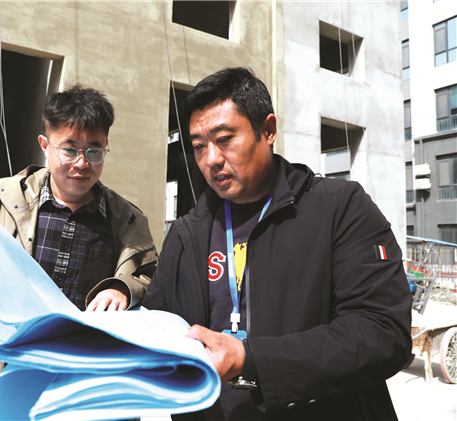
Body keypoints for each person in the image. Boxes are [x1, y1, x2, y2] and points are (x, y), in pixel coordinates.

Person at [142, 67, 412, 420]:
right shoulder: (186, 232)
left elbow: (383, 334)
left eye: (224, 139)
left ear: (267, 130)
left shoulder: (339, 208)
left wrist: (252, 359)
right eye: (198, 146)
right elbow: (157, 322)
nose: (211, 159)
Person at [0, 85, 157, 420]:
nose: (82, 164)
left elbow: (149, 275)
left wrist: (122, 289)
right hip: (5, 366)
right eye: (69, 149)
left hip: (84, 377)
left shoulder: (127, 220)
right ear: (45, 145)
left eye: (95, 151)